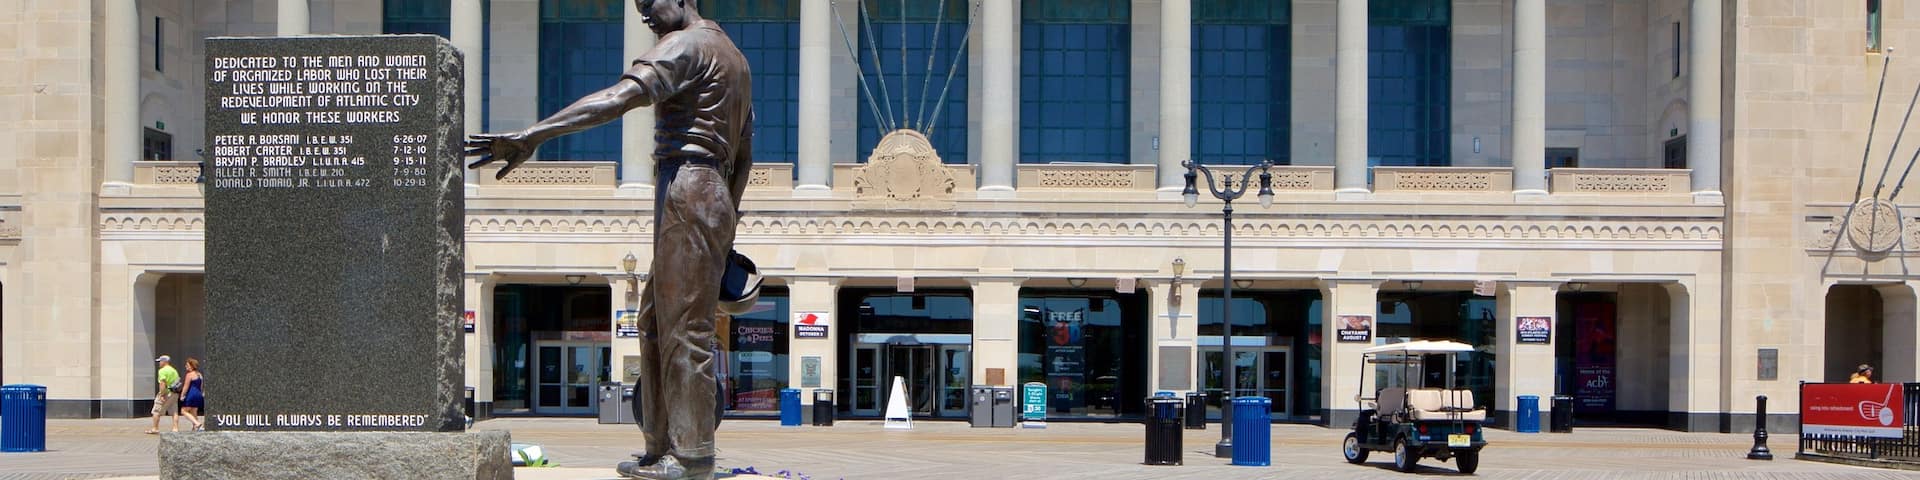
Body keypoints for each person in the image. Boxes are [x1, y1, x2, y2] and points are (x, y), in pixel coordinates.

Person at [465, 1, 751, 478]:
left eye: (649, 3)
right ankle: (661, 446)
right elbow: (744, 154)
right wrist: (726, 217)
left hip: (689, 184)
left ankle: (692, 457)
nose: (645, 16)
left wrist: (533, 134)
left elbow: (619, 99)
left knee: (686, 331)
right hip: (707, 190)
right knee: (655, 320)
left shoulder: (687, 45)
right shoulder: (734, 56)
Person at [146, 355, 180, 434]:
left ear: (164, 362)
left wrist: (161, 394)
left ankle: (155, 428)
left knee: (156, 411)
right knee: (174, 411)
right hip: (174, 393)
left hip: (166, 393)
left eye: (160, 361)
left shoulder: (162, 371)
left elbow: (162, 383)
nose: (159, 363)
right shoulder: (174, 370)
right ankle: (175, 428)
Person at [179, 357, 206, 431]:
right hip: (198, 394)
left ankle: (197, 424)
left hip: (191, 394)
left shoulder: (189, 374)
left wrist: (182, 395)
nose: (186, 366)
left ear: (192, 366)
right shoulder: (199, 374)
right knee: (194, 411)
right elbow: (201, 385)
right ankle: (196, 428)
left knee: (183, 411)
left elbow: (186, 386)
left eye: (187, 365)